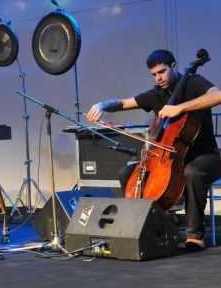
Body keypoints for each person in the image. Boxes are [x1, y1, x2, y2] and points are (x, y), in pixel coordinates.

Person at [86, 49, 221, 250]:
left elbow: (218, 96)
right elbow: (124, 103)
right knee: (127, 172)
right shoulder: (157, 94)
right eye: (154, 74)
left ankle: (195, 235)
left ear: (173, 66)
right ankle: (144, 226)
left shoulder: (193, 82)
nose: (158, 78)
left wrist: (181, 108)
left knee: (192, 171)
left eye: (162, 72)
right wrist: (102, 104)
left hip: (206, 156)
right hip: (167, 158)